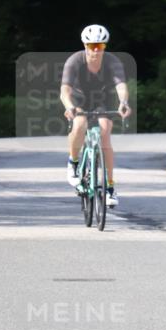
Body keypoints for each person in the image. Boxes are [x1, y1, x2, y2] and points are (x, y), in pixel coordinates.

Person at [60, 25, 131, 207]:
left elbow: (121, 86)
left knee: (105, 131)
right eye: (92, 46)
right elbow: (64, 91)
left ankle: (109, 187)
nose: (96, 50)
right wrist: (69, 107)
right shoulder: (74, 61)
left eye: (100, 46)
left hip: (101, 99)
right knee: (80, 125)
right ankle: (74, 162)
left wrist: (123, 102)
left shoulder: (112, 61)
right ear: (85, 45)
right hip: (78, 99)